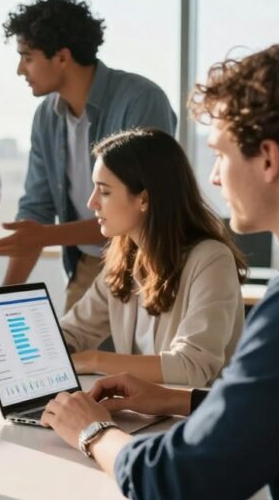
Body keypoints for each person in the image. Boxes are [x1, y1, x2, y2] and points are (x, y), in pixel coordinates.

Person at [41, 40, 279, 500]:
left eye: (219, 154)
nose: (214, 177)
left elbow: (176, 484)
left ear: (268, 158)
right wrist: (173, 399)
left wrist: (92, 434)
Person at [0, 0, 177, 311]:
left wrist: (44, 236)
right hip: (88, 264)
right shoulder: (46, 116)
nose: (20, 70)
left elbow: (142, 209)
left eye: (27, 57)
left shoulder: (141, 100)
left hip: (147, 267)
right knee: (71, 358)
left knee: (133, 361)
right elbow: (36, 213)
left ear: (61, 57)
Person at [60, 128, 245, 386]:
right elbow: (73, 332)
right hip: (141, 416)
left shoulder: (211, 260)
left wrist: (94, 360)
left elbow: (192, 366)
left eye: (104, 191)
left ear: (144, 198)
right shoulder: (123, 261)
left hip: (194, 420)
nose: (92, 203)